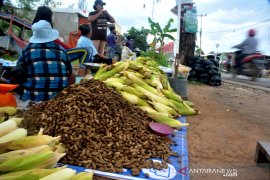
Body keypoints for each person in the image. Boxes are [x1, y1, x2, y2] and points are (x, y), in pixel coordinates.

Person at [15, 20, 74, 101]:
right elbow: (71, 76)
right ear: (51, 34)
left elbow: (17, 72)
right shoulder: (62, 50)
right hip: (59, 101)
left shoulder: (27, 50)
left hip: (32, 100)